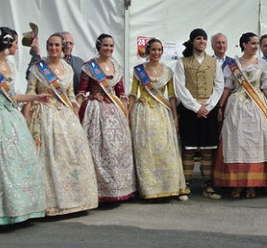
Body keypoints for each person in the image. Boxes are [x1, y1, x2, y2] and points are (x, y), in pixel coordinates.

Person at [0, 26, 48, 226]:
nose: (16, 46)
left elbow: (13, 96)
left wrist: (35, 96)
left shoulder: (9, 66)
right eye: (14, 43)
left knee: (17, 162)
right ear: (7, 43)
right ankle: (0, 212)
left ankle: (20, 208)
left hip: (11, 116)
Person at [24, 33, 98, 216]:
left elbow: (71, 94)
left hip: (65, 116)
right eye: (50, 45)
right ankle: (48, 203)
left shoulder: (68, 69)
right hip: (43, 114)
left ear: (62, 47)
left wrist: (74, 111)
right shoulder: (37, 68)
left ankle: (74, 200)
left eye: (57, 45)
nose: (54, 48)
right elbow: (30, 92)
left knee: (71, 157)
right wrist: (25, 119)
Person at [76, 33, 136, 203]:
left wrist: (126, 115)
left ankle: (120, 187)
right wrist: (76, 109)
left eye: (111, 46)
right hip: (95, 111)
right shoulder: (89, 67)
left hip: (114, 111)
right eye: (105, 46)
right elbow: (82, 91)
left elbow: (121, 94)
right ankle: (100, 190)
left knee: (117, 149)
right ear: (98, 47)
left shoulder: (116, 67)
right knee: (98, 149)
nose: (108, 49)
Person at [215, 32, 267, 199]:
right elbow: (227, 87)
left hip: (257, 106)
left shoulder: (263, 65)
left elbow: (266, 86)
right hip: (237, 107)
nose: (257, 47)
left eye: (257, 44)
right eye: (253, 43)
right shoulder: (232, 65)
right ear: (244, 44)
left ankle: (252, 184)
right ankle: (236, 184)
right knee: (236, 143)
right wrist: (220, 106)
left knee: (255, 145)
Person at [128, 38, 186, 201]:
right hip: (144, 112)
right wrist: (128, 113)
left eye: (159, 50)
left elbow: (172, 96)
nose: (156, 53)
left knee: (165, 149)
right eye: (153, 50)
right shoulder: (138, 70)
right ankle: (149, 188)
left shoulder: (167, 71)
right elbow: (133, 94)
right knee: (146, 151)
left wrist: (175, 116)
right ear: (148, 51)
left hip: (162, 113)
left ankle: (169, 187)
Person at [173, 28, 225, 200]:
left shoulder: (214, 62)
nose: (201, 41)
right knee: (189, 149)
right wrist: (196, 107)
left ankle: (208, 185)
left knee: (208, 150)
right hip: (190, 110)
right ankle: (185, 184)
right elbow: (180, 87)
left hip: (208, 110)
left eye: (204, 38)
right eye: (198, 39)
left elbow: (219, 86)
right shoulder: (182, 62)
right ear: (192, 42)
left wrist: (208, 106)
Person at [27, 30, 84, 95]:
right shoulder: (42, 64)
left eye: (70, 43)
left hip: (68, 102)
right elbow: (29, 76)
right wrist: (36, 55)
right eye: (66, 43)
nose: (68, 46)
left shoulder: (79, 63)